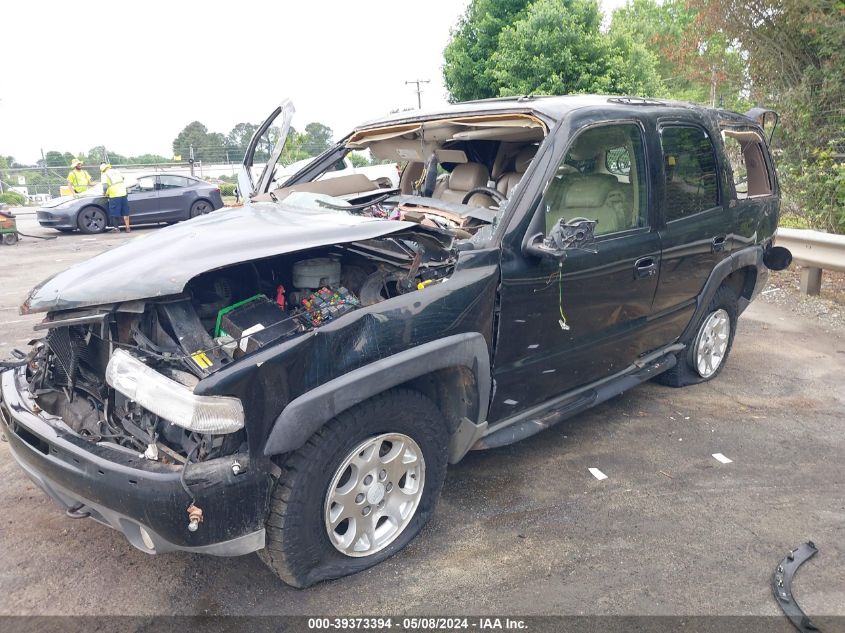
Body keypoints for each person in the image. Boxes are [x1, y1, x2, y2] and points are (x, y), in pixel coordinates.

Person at [100, 163, 131, 232]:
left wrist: (104, 193)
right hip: (123, 193)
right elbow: (123, 178)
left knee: (114, 212)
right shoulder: (117, 171)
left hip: (114, 195)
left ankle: (116, 228)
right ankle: (128, 228)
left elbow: (105, 186)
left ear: (102, 170)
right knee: (125, 211)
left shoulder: (104, 174)